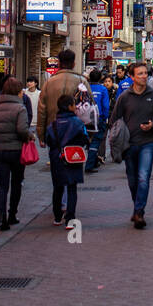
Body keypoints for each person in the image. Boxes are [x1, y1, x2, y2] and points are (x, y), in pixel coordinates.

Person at [111, 61, 153, 227]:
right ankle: (137, 205)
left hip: (148, 143)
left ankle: (139, 212)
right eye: (140, 74)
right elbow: (114, 120)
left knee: (144, 177)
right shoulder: (124, 97)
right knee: (133, 180)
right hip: (129, 144)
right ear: (132, 77)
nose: (144, 76)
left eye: (145, 73)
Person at [0, 77, 35, 231]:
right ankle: (12, 214)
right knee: (16, 183)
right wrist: (29, 136)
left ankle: (1, 216)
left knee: (2, 185)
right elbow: (22, 129)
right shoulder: (20, 108)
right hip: (16, 151)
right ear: (17, 91)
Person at [45, 92, 89, 230]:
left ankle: (57, 217)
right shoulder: (77, 123)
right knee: (71, 187)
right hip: (73, 157)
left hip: (57, 157)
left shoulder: (52, 125)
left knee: (57, 187)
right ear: (70, 106)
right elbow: (85, 139)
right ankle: (70, 218)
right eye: (74, 104)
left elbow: (49, 141)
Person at [36, 49, 83, 144]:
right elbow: (90, 107)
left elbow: (42, 110)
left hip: (54, 130)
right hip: (76, 130)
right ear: (73, 64)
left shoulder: (49, 83)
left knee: (55, 156)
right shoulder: (82, 81)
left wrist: (41, 135)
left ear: (59, 64)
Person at [83, 68, 111, 173]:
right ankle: (89, 165)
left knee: (89, 140)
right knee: (96, 141)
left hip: (85, 118)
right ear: (100, 78)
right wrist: (105, 117)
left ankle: (94, 162)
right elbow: (105, 105)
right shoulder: (103, 89)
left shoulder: (86, 88)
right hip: (98, 118)